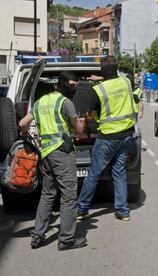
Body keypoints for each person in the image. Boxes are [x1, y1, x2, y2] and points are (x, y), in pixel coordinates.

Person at [19, 71, 87, 251]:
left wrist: (25, 135)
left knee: (48, 195)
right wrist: (84, 121)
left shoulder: (40, 102)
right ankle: (66, 240)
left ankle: (37, 235)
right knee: (68, 197)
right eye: (73, 85)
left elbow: (22, 124)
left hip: (46, 154)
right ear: (63, 83)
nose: (74, 88)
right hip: (62, 153)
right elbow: (79, 129)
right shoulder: (65, 103)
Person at [77, 56, 138, 222]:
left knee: (94, 174)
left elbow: (92, 115)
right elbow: (116, 79)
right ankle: (123, 211)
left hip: (107, 138)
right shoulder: (126, 82)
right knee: (119, 173)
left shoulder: (99, 90)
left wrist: (86, 122)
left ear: (102, 71)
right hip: (126, 136)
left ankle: (82, 209)